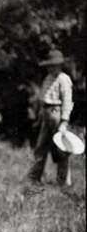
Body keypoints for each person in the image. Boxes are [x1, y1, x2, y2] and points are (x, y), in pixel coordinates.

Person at [27, 49, 74, 187]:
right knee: (40, 146)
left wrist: (64, 121)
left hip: (57, 113)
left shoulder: (64, 79)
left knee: (61, 149)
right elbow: (43, 98)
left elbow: (67, 101)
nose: (51, 68)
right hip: (47, 113)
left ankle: (63, 181)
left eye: (54, 65)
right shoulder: (48, 78)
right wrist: (40, 116)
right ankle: (35, 177)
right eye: (49, 65)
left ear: (60, 65)